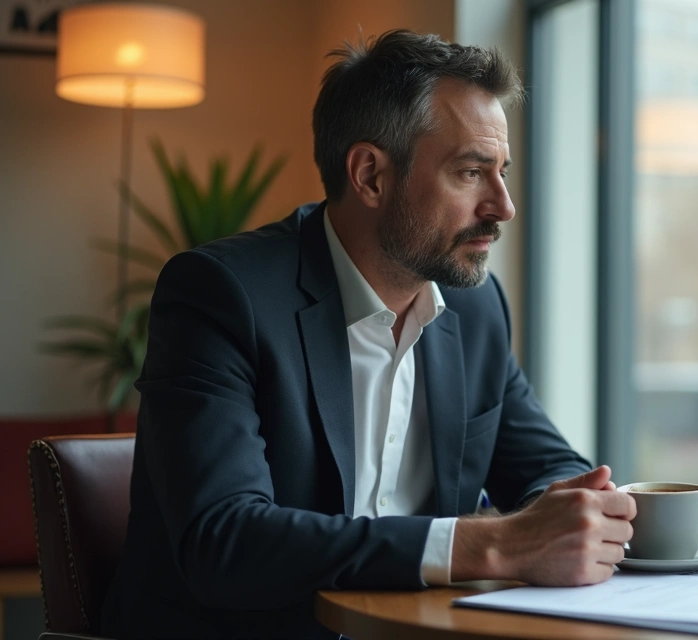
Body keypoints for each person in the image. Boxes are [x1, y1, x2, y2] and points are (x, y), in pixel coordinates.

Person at [101, 30, 636, 639]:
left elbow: (544, 466)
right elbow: (225, 541)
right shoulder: (222, 295)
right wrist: (487, 545)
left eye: (503, 173)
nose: (504, 205)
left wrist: (578, 511)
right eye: (470, 172)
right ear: (370, 176)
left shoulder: (474, 305)